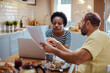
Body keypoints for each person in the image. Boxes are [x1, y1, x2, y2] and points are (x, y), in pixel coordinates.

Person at [41, 12, 110, 73]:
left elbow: (77, 59)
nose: (80, 26)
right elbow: (74, 54)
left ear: (88, 23)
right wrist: (58, 44)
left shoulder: (97, 37)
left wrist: (53, 50)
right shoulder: (95, 36)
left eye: (81, 22)